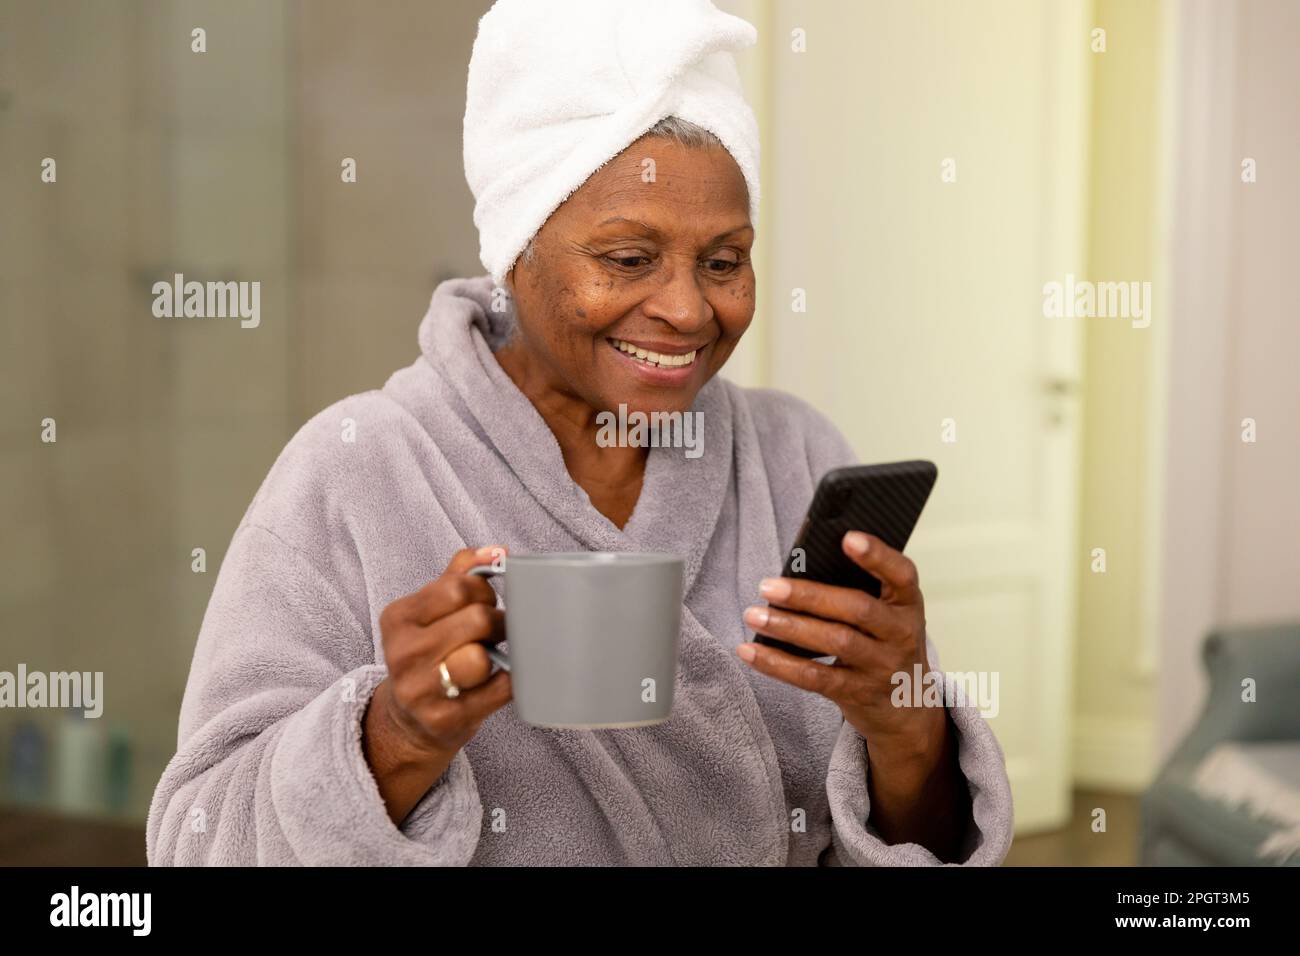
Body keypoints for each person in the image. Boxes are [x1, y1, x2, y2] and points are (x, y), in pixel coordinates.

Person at [147, 0, 1013, 866]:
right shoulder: (358, 470)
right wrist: (395, 734)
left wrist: (906, 725)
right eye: (628, 260)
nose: (686, 310)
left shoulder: (794, 455)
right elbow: (194, 840)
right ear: (517, 251)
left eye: (724, 261)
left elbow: (921, 839)